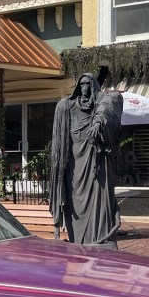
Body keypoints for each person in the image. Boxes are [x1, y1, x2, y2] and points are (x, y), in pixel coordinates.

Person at [48, 73, 124, 246]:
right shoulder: (66, 107)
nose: (85, 88)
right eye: (82, 84)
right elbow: (60, 142)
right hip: (73, 168)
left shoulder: (100, 104)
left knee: (99, 204)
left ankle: (99, 241)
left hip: (94, 165)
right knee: (74, 207)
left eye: (88, 85)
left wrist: (98, 123)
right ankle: (78, 244)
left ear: (93, 87)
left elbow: (110, 103)